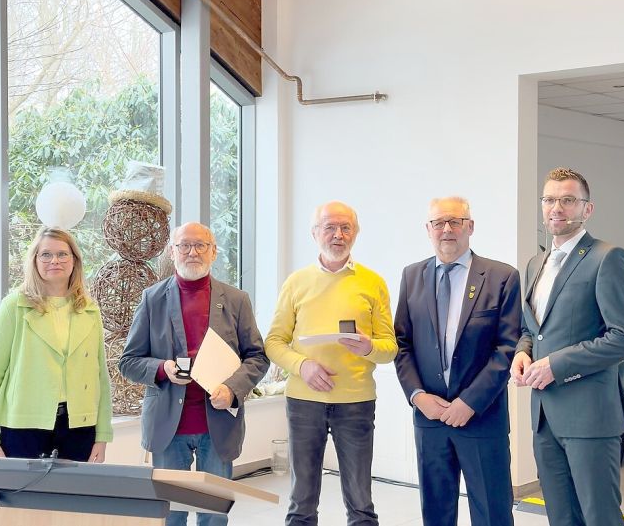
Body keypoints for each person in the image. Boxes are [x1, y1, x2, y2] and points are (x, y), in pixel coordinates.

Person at [510, 168, 624, 526]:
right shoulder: (536, 263)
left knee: (599, 518)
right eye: (550, 199)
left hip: (590, 416)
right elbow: (532, 328)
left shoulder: (608, 257)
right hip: (544, 415)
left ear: (587, 209)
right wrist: (523, 351)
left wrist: (557, 364)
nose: (557, 208)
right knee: (561, 517)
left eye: (568, 200)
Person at [119, 222, 269, 526]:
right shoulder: (152, 299)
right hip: (168, 427)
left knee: (213, 515)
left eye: (200, 245)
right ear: (172, 252)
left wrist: (232, 388)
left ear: (213, 252)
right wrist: (163, 369)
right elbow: (129, 361)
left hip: (218, 425)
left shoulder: (237, 300)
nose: (192, 252)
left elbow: (257, 357)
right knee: (170, 515)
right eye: (184, 245)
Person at [265, 201, 397, 526]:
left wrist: (368, 347)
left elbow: (389, 348)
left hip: (356, 403)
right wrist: (302, 366)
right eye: (330, 227)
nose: (338, 235)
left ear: (355, 233)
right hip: (303, 402)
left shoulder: (373, 283)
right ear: (315, 233)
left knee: (361, 503)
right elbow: (273, 342)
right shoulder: (296, 283)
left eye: (345, 227)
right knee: (301, 502)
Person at [393, 196, 521, 526]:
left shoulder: (502, 276)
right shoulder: (412, 276)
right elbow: (402, 344)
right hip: (430, 418)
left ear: (470, 227)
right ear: (428, 229)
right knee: (436, 513)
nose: (447, 229)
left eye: (456, 221)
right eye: (439, 223)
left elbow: (506, 348)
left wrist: (469, 402)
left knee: (492, 512)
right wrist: (418, 397)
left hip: (481, 418)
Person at [0, 227, 113, 462]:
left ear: (74, 261)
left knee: (73, 498)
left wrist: (102, 434)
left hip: (79, 426)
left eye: (62, 254)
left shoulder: (89, 309)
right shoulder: (14, 306)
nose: (54, 261)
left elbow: (100, 376)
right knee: (20, 499)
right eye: (46, 255)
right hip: (23, 426)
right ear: (35, 261)